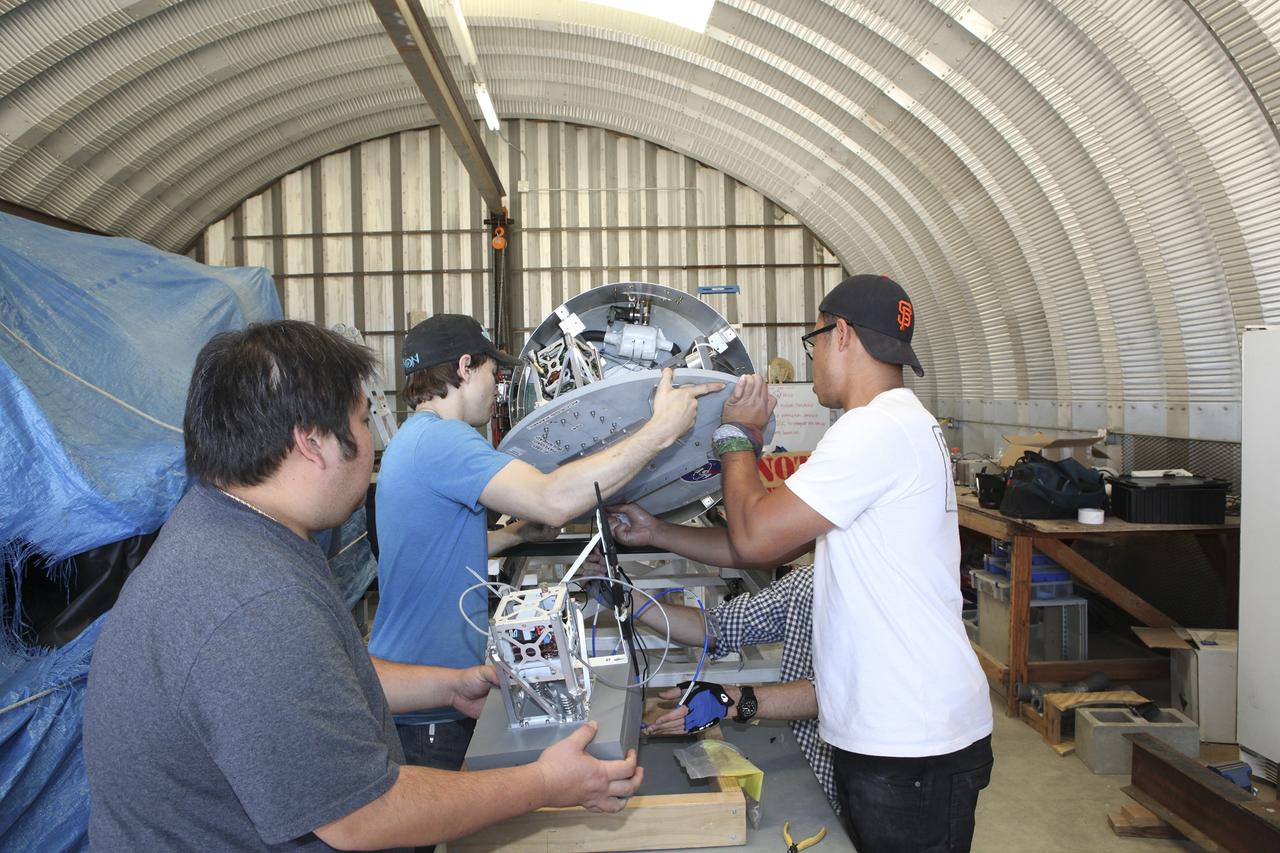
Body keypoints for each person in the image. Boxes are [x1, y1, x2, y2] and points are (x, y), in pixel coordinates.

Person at [83, 321, 643, 852]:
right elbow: (364, 814)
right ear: (311, 442)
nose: (371, 443)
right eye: (358, 421)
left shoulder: (226, 534)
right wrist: (544, 783)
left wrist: (447, 687)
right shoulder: (253, 599)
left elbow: (313, 677)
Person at [700, 275, 994, 852]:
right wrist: (656, 531)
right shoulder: (904, 422)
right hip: (912, 731)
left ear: (840, 335)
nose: (812, 365)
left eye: (813, 344)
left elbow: (756, 538)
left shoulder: (871, 429)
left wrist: (739, 434)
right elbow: (771, 537)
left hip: (910, 741)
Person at [370, 314, 722, 774]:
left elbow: (435, 549)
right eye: (492, 373)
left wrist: (516, 534)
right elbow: (552, 500)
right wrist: (659, 431)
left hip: (418, 688)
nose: (497, 386)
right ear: (463, 367)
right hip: (429, 711)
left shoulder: (411, 440)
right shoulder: (444, 440)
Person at [591, 502, 838, 813]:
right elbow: (717, 627)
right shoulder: (808, 585)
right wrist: (626, 597)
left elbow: (840, 694)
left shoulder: (893, 603)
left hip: (871, 779)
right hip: (813, 767)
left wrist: (731, 700)